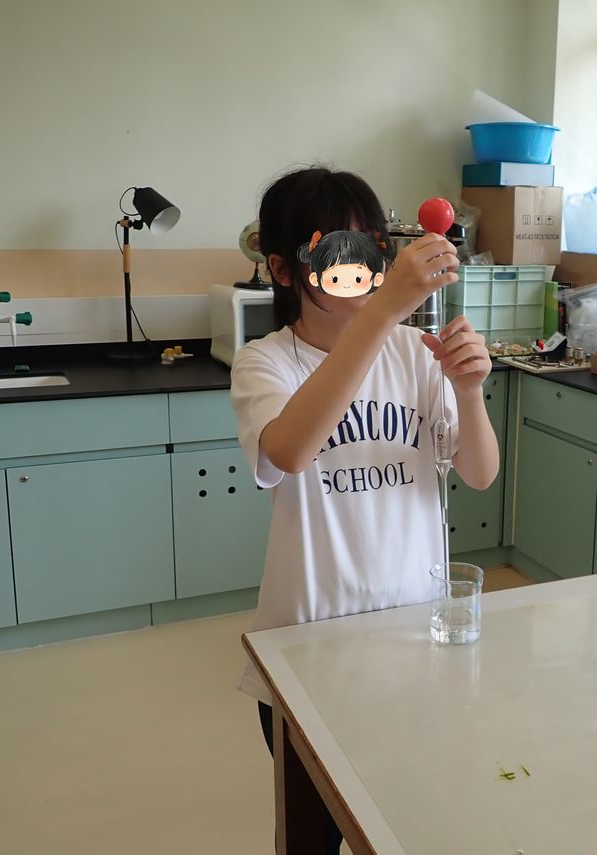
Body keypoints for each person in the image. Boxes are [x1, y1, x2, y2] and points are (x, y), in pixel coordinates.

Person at [230, 167, 500, 852]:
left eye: (368, 247)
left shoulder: (415, 354)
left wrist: (470, 391)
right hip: (309, 656)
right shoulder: (265, 363)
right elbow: (289, 450)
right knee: (314, 834)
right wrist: (383, 314)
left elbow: (479, 472)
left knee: (402, 825)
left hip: (414, 645)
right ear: (283, 270)